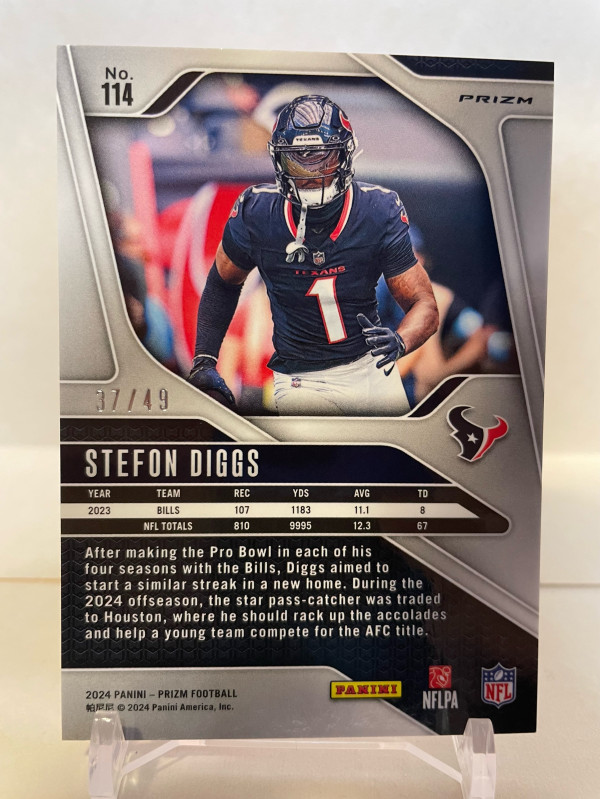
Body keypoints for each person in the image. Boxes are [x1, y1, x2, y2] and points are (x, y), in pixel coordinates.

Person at [188, 95, 438, 415]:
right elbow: (222, 282)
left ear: (345, 155)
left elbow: (425, 303)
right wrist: (205, 360)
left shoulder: (377, 210)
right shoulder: (257, 212)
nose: (311, 172)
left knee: (394, 449)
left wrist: (401, 340)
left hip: (370, 368)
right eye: (298, 160)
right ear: (278, 160)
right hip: (302, 378)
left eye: (322, 158)